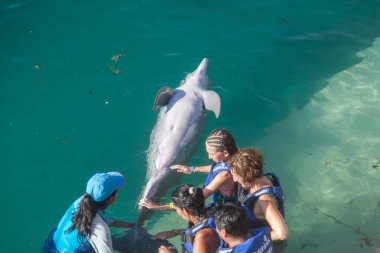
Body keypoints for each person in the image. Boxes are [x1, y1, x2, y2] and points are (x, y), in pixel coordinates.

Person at [139, 128, 238, 213]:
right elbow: (219, 166)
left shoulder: (223, 176)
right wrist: (192, 169)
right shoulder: (237, 154)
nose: (209, 156)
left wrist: (159, 207)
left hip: (228, 207)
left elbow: (193, 200)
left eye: (211, 154)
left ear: (225, 153)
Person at [43, 172, 135, 253]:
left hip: (50, 246)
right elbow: (97, 226)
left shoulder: (82, 201)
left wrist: (127, 225)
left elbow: (93, 220)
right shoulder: (101, 230)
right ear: (111, 198)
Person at [228, 148, 288, 242]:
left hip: (265, 245)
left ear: (247, 175)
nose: (234, 179)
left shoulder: (264, 200)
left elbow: (282, 234)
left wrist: (248, 240)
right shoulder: (262, 178)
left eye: (236, 175)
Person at [152, 184, 220, 253]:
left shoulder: (201, 236)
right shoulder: (209, 214)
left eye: (176, 209)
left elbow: (205, 234)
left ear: (185, 210)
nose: (177, 212)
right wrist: (176, 232)